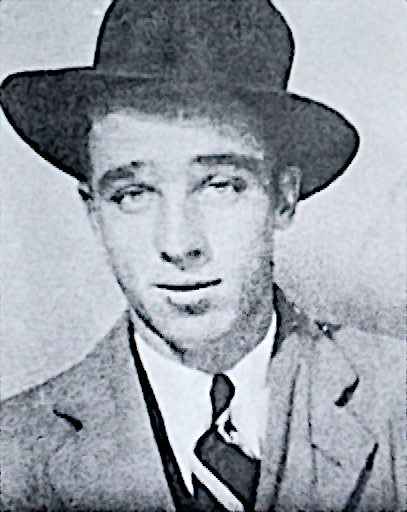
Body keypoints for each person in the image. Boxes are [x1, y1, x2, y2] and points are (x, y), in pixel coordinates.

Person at [0, 0, 404, 510]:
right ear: (94, 211)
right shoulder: (11, 455)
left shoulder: (399, 403)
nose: (179, 243)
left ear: (284, 197)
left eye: (220, 185)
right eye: (132, 193)